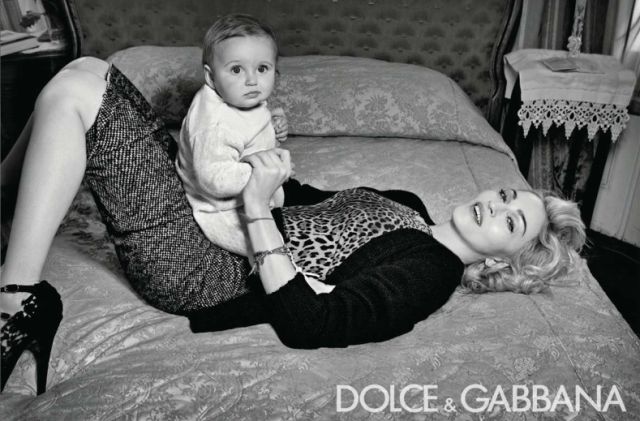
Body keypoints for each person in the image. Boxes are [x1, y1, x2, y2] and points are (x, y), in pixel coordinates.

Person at [0, 56, 585, 394]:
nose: (495, 205)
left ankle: (17, 298)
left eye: (511, 222)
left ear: (499, 260)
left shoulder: (430, 272)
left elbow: (314, 323)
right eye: (505, 194)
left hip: (206, 269)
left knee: (80, 90)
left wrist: (256, 210)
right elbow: (299, 200)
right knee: (87, 68)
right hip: (215, 217)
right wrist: (261, 148)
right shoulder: (407, 202)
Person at [176, 14, 288, 256]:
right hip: (219, 208)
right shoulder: (214, 125)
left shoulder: (239, 95)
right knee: (272, 251)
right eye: (236, 69)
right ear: (211, 77)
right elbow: (215, 179)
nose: (252, 80)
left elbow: (248, 130)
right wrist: (268, 173)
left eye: (262, 68)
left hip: (245, 189)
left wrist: (272, 128)